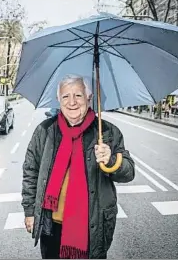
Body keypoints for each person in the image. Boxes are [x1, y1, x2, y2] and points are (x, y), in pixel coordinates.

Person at [21, 74, 135, 259]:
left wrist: (112, 160)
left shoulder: (106, 132)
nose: (72, 102)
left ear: (89, 98)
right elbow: (30, 172)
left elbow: (129, 172)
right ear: (58, 100)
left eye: (78, 95)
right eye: (66, 96)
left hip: (93, 226)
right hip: (52, 226)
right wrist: (29, 211)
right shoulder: (45, 131)